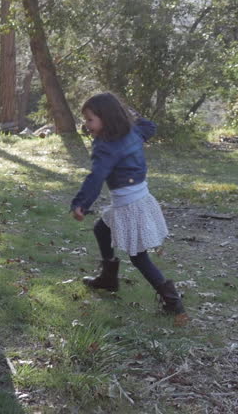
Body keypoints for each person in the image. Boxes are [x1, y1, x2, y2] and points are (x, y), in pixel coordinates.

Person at [70, 92, 187, 322]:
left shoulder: (106, 147)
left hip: (129, 205)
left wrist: (81, 203)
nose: (87, 125)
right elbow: (149, 126)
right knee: (101, 229)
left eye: (90, 119)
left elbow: (96, 178)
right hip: (139, 199)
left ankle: (173, 302)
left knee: (138, 257)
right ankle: (108, 278)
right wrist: (131, 115)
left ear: (107, 118)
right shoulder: (134, 132)